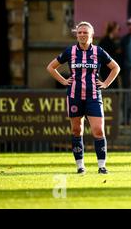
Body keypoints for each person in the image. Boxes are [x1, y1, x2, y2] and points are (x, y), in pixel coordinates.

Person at [46, 21, 120, 174]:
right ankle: (80, 166)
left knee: (98, 130)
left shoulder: (99, 51)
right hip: (74, 96)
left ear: (91, 35)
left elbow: (115, 67)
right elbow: (50, 67)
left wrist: (106, 83)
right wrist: (63, 81)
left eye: (85, 32)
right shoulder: (70, 51)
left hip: (93, 96)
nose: (82, 35)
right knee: (76, 130)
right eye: (79, 32)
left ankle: (102, 166)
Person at [99, 21, 121, 88]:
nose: (118, 32)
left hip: (112, 69)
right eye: (117, 29)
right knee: (110, 89)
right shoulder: (105, 41)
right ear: (113, 30)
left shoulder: (113, 41)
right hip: (106, 69)